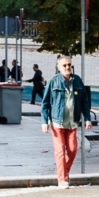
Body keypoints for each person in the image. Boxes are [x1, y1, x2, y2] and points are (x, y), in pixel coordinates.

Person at [40, 54, 92, 188]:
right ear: (58, 67)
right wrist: (44, 121)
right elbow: (45, 103)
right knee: (60, 151)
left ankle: (63, 172)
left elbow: (85, 101)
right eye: (65, 65)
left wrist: (87, 118)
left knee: (73, 149)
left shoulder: (77, 81)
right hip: (57, 122)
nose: (68, 67)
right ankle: (62, 180)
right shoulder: (53, 81)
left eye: (69, 65)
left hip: (72, 122)